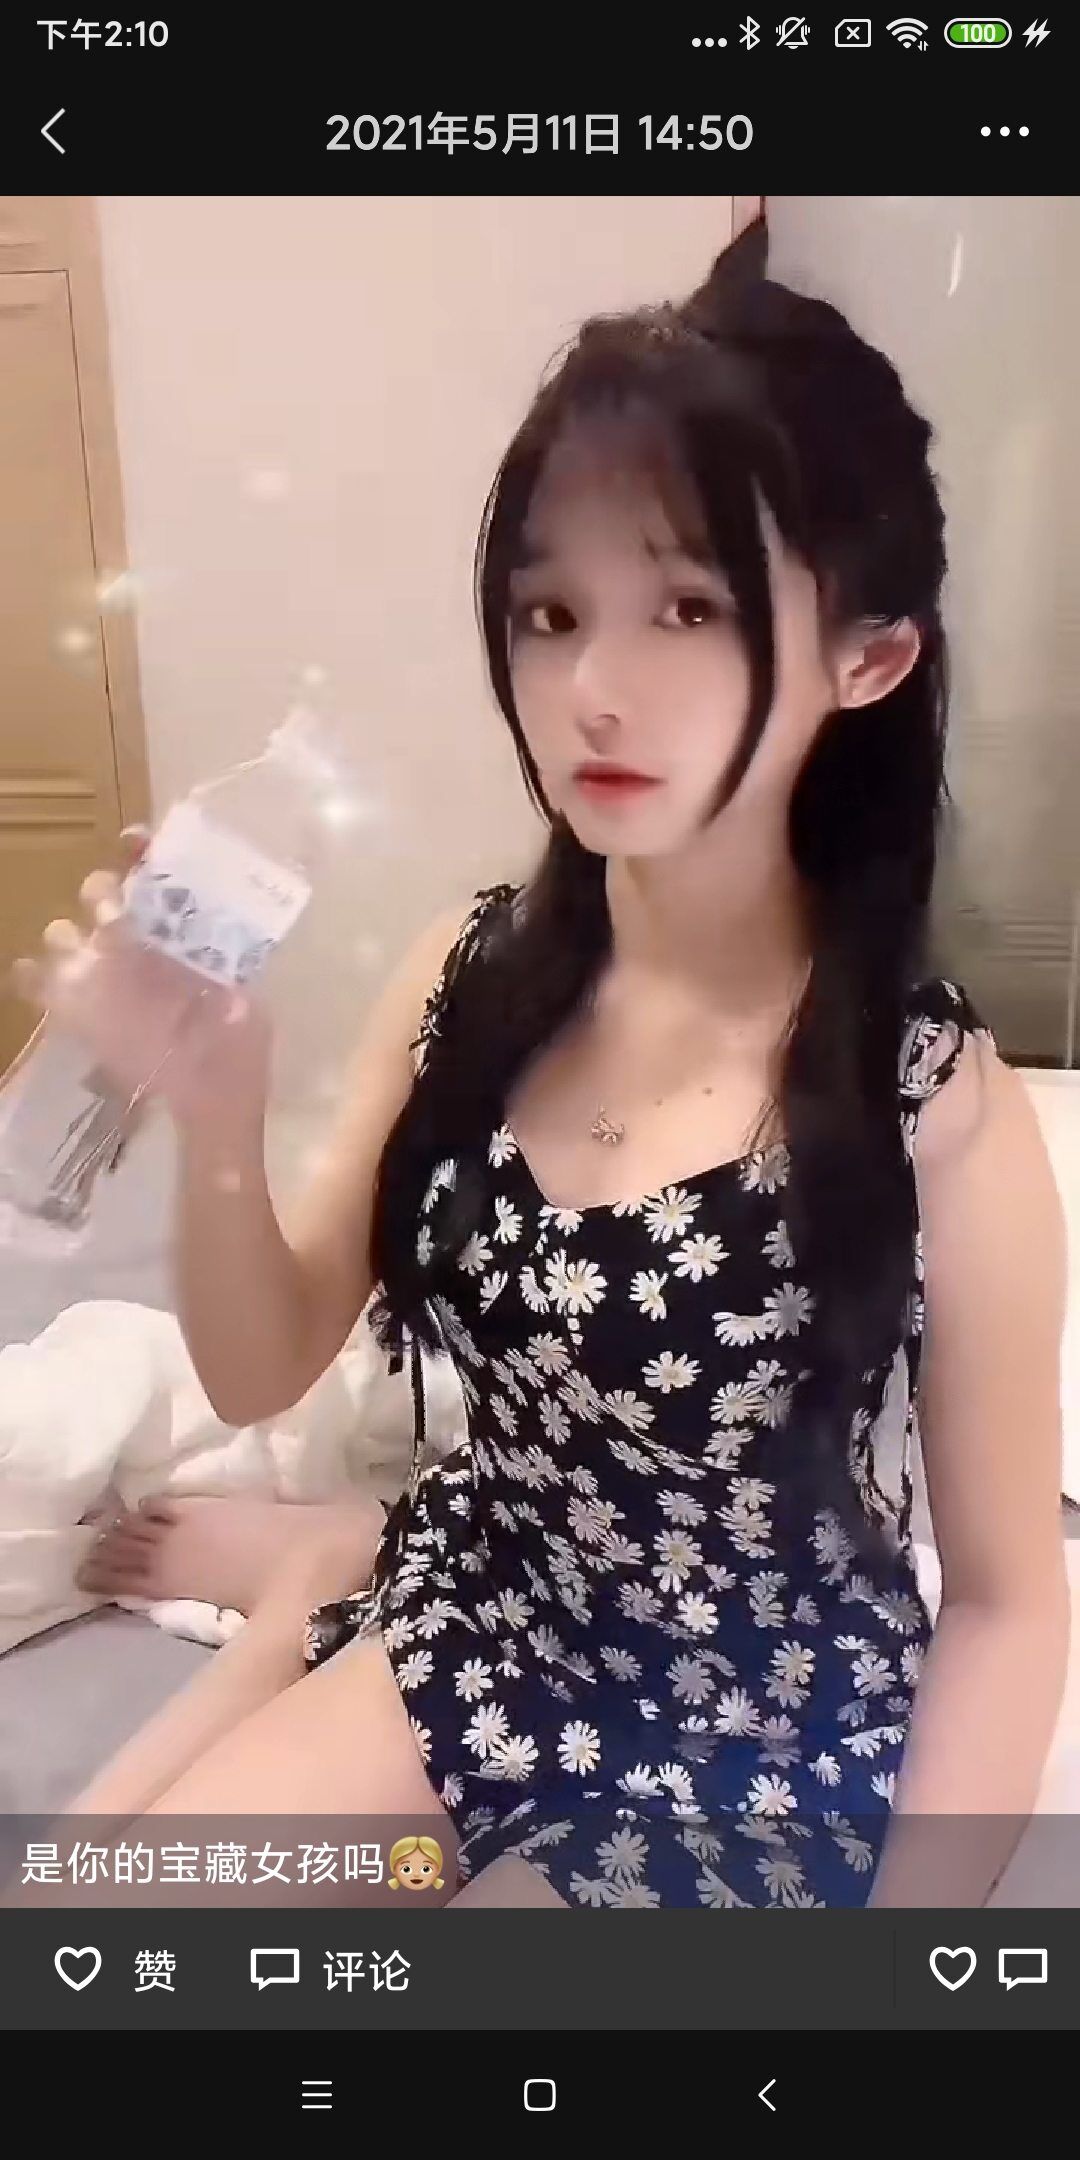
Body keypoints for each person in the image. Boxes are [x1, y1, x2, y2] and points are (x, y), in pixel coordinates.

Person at [16, 227, 1069, 1908]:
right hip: (488, 1621)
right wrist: (216, 1113)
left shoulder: (935, 1107)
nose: (590, 689)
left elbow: (1011, 1604)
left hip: (754, 1731)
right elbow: (260, 1366)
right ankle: (321, 1590)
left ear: (867, 659)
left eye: (690, 607)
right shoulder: (472, 977)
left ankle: (314, 1586)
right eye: (549, 612)